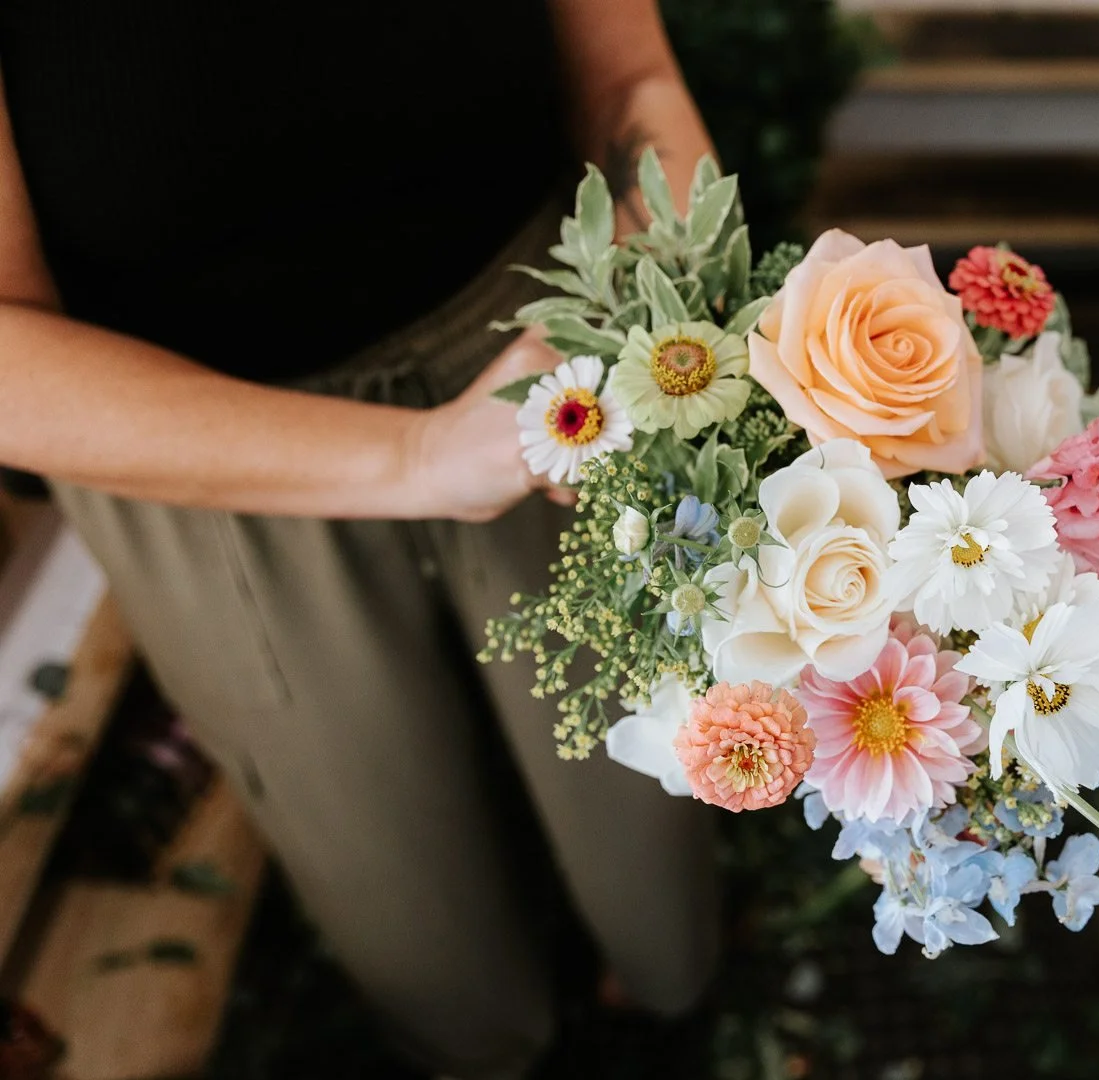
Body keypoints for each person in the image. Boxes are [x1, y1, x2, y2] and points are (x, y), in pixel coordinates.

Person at [0, 2, 719, 1077]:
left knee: (654, 809)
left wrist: (637, 284)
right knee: (404, 895)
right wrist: (419, 460)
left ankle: (673, 999)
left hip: (555, 348)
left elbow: (630, 84)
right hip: (221, 470)